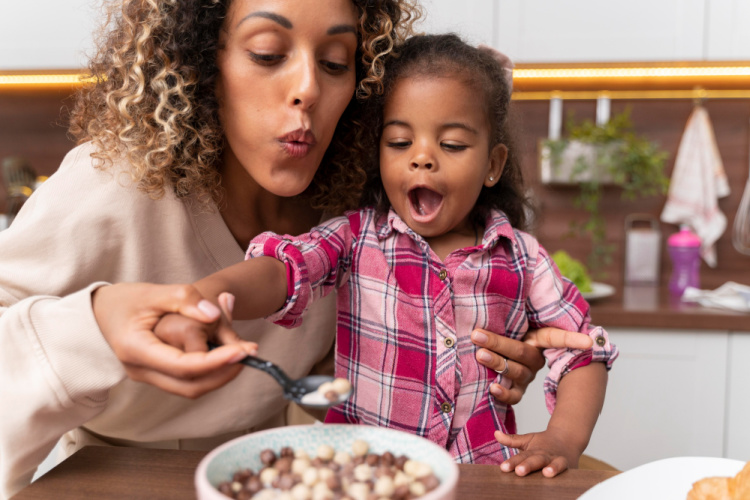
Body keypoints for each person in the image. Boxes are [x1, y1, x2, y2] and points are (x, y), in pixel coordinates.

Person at [0, 2, 587, 498]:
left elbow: (345, 365)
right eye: (266, 53)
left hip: (284, 475)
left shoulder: (366, 204)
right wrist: (98, 323)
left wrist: (473, 348)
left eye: (335, 63)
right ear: (202, 65)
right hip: (124, 483)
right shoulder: (113, 186)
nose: (308, 87)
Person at [154, 34, 619, 475]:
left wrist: (564, 438)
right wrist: (205, 296)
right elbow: (283, 270)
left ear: (493, 165)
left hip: (479, 476)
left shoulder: (522, 257)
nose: (422, 158)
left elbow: (583, 350)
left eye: (451, 144)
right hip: (362, 471)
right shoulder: (356, 238)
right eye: (400, 143)